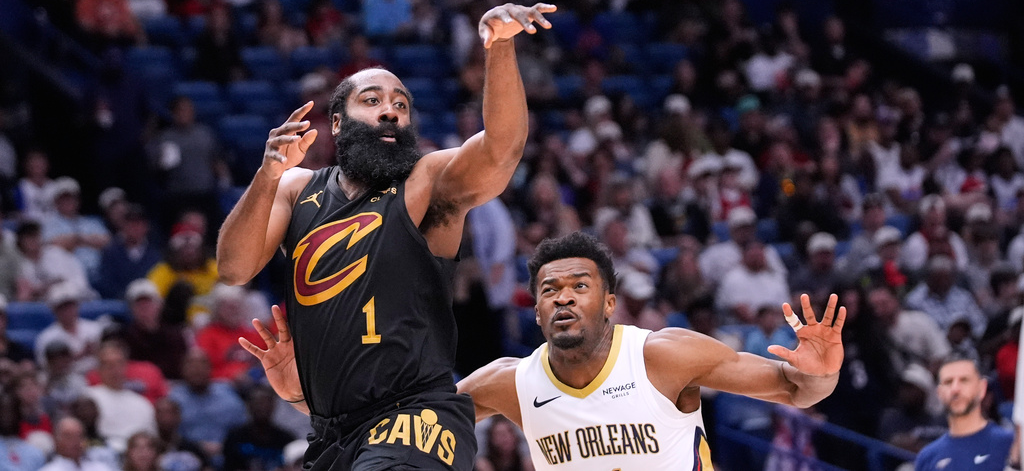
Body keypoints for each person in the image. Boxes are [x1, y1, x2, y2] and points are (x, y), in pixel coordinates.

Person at [217, 1, 554, 471]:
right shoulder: (296, 190)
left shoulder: (425, 181)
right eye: (372, 101)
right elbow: (233, 268)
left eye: (401, 105)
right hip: (332, 433)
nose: (391, 112)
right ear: (337, 123)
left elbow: (502, 150)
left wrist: (498, 47)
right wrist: (268, 173)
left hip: (416, 419)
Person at [247, 232, 844, 470]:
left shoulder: (663, 356)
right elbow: (382, 430)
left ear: (609, 302)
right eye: (549, 290)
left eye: (579, 286)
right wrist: (305, 392)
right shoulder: (511, 381)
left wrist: (820, 374)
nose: (563, 298)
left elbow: (795, 390)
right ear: (534, 310)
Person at [913, 354, 1013, 471]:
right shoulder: (927, 458)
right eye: (948, 382)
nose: (955, 389)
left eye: (964, 380)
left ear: (982, 388)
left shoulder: (1009, 444)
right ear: (939, 393)